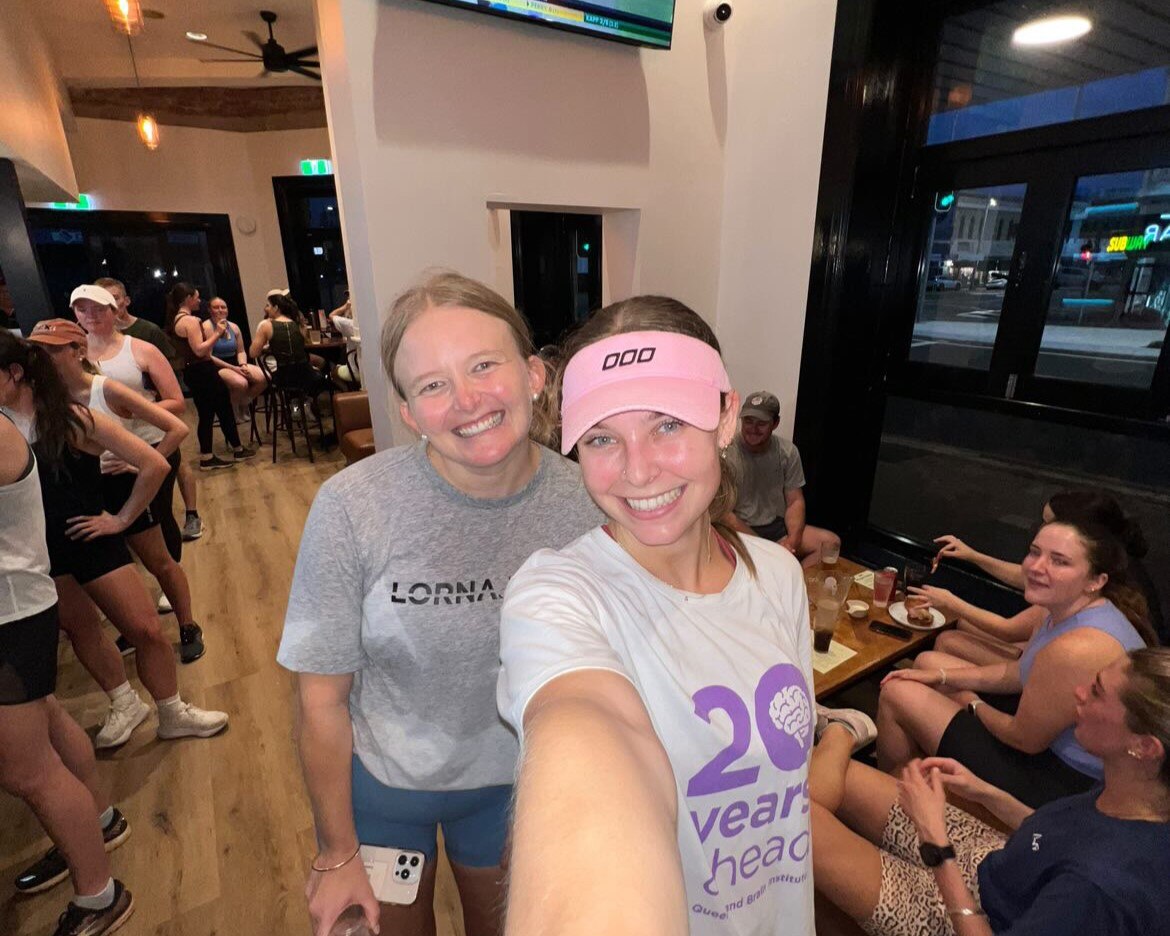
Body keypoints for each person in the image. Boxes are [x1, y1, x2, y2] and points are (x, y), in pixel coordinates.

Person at [277, 272, 600, 936]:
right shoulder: (353, 507)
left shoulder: (589, 504)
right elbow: (320, 701)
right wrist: (337, 852)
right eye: (431, 385)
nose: (466, 400)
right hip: (386, 786)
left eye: (483, 365)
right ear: (408, 414)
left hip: (519, 785)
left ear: (534, 374)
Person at [498, 297, 830, 936]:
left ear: (725, 417)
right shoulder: (557, 597)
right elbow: (583, 735)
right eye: (602, 438)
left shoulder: (778, 577)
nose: (639, 468)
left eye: (668, 424)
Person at [809, 647, 1170, 936]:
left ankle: (841, 731)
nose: (1079, 692)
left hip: (968, 918)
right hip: (993, 861)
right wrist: (982, 791)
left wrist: (936, 843)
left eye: (1097, 692)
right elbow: (1058, 837)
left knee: (797, 820)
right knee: (841, 776)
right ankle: (844, 729)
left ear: (1145, 746)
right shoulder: (1139, 791)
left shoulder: (1098, 889)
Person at [0, 331, 229, 755]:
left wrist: (120, 519)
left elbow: (153, 462)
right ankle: (124, 702)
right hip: (38, 554)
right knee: (82, 630)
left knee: (145, 629)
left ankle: (172, 710)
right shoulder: (4, 427)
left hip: (87, 537)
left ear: (14, 373)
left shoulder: (69, 417)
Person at [878, 515, 1155, 807]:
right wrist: (943, 676)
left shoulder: (1078, 648)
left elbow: (1024, 740)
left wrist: (973, 703)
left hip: (1064, 780)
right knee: (930, 664)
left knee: (896, 693)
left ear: (1096, 581)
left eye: (1059, 561)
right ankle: (917, 780)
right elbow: (1019, 672)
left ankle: (889, 805)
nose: (1036, 567)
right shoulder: (1067, 609)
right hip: (1044, 742)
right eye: (1035, 552)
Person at [0, 410, 134, 934]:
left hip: (12, 615)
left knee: (27, 772)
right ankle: (97, 823)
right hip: (18, 608)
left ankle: (98, 896)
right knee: (49, 726)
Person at [932, 490, 1166, 659]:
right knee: (957, 629)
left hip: (1052, 677)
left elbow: (1009, 631)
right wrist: (973, 556)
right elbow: (1025, 576)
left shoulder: (1094, 590)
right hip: (1039, 659)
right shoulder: (1105, 561)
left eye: (1048, 523)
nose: (1040, 529)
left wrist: (950, 602)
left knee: (942, 644)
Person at [96, 277, 203, 542]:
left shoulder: (147, 333)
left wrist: (137, 406)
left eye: (114, 299)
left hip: (152, 431)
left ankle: (192, 513)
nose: (108, 306)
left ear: (125, 300)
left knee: (173, 474)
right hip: (114, 446)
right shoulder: (83, 349)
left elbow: (173, 386)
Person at [728, 390, 840, 569]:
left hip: (777, 527)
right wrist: (768, 549)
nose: (753, 428)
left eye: (761, 423)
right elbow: (725, 515)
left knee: (830, 543)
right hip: (740, 530)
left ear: (775, 423)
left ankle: (795, 583)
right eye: (748, 421)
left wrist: (792, 542)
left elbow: (795, 501)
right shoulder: (726, 453)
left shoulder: (788, 452)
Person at [165, 282, 255, 470]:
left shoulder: (175, 320)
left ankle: (215, 453)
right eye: (196, 297)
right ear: (188, 299)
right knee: (222, 409)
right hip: (202, 371)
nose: (199, 301)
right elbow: (200, 351)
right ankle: (231, 451)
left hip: (192, 372)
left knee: (208, 413)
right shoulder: (190, 321)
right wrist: (218, 333)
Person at [202, 296, 266, 416]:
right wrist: (234, 368)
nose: (220, 310)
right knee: (241, 383)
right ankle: (233, 412)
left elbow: (241, 351)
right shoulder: (207, 327)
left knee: (264, 377)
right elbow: (208, 356)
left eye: (223, 307)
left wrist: (243, 365)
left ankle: (244, 402)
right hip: (217, 364)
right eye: (216, 307)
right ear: (209, 310)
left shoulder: (234, 327)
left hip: (235, 362)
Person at [328, 294, 361, 389]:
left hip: (355, 370)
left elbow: (331, 315)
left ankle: (347, 393)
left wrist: (345, 307)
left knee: (333, 372)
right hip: (365, 367)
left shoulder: (349, 324)